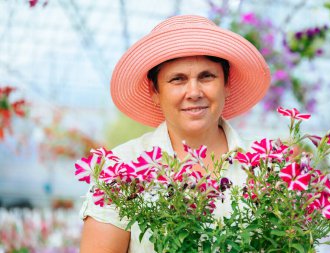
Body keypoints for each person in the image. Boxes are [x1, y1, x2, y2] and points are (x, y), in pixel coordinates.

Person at [79, 15, 270, 252]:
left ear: (227, 84)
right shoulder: (120, 168)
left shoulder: (266, 167)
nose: (194, 92)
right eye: (177, 79)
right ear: (155, 91)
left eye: (206, 76)